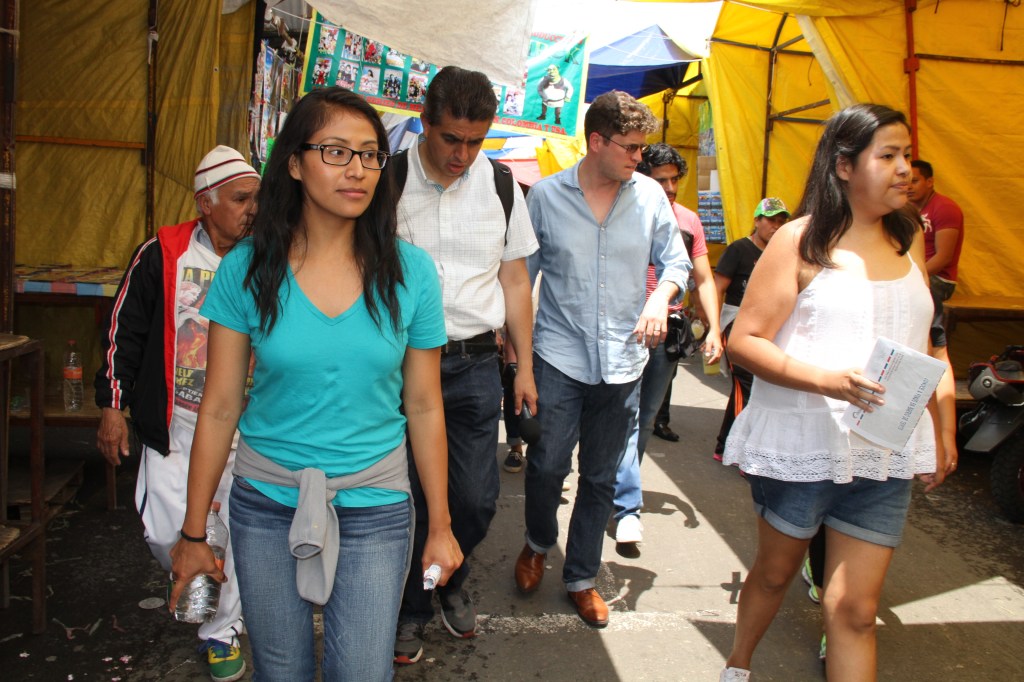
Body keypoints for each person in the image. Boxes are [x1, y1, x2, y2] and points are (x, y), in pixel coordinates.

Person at [168, 87, 462, 681]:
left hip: (376, 503)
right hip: (264, 501)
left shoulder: (412, 274)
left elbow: (426, 405)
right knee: (281, 669)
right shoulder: (246, 269)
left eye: (370, 154)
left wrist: (442, 525)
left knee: (362, 670)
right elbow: (221, 406)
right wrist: (194, 532)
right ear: (295, 164)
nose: (357, 168)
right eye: (335, 151)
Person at [718, 103, 956, 682]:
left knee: (855, 609)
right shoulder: (800, 240)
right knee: (775, 575)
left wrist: (944, 430)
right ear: (845, 166)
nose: (905, 169)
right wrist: (830, 382)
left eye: (907, 155)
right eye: (889, 155)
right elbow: (743, 341)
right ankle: (737, 666)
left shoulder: (907, 244)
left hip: (884, 454)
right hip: (805, 447)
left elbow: (925, 346)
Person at [515, 91, 691, 627]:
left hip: (623, 360)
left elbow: (676, 262)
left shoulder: (649, 199)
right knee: (546, 464)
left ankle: (582, 577)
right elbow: (521, 277)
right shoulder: (545, 197)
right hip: (558, 355)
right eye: (632, 148)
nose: (641, 159)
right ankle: (537, 542)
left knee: (600, 475)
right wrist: (517, 353)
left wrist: (661, 298)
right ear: (596, 142)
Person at [95, 145, 259, 682]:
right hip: (177, 430)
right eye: (240, 199)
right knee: (170, 532)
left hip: (250, 434)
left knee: (233, 531)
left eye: (257, 197)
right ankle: (205, 592)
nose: (252, 208)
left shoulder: (268, 255)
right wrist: (113, 404)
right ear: (205, 203)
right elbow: (126, 329)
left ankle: (221, 629)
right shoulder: (164, 252)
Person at [393, 64, 539, 664]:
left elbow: (514, 277)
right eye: (452, 138)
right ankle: (409, 606)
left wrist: (524, 366)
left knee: (476, 500)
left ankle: (446, 579)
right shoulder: (386, 180)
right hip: (400, 366)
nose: (463, 154)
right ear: (425, 123)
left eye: (476, 140)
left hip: (478, 364)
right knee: (403, 500)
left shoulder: (501, 186)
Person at [611, 142, 723, 545]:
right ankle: (623, 500)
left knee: (642, 419)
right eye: (663, 180)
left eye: (676, 179)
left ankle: (623, 496)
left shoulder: (690, 221)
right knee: (621, 418)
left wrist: (713, 328)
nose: (672, 188)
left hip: (667, 336)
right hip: (622, 333)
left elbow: (705, 278)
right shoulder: (620, 211)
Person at [712, 198, 790, 462]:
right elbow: (717, 288)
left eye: (781, 222)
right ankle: (735, 449)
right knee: (744, 385)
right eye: (771, 220)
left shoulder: (782, 254)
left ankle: (728, 445)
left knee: (756, 386)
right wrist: (713, 329)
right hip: (736, 321)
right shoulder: (739, 249)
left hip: (766, 325)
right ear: (757, 220)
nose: (776, 226)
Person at [907, 159, 964, 301]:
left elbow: (943, 257)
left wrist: (913, 276)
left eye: (914, 181)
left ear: (929, 182)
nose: (909, 187)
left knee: (901, 296)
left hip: (939, 279)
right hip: (913, 273)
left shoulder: (945, 208)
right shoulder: (905, 208)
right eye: (905, 181)